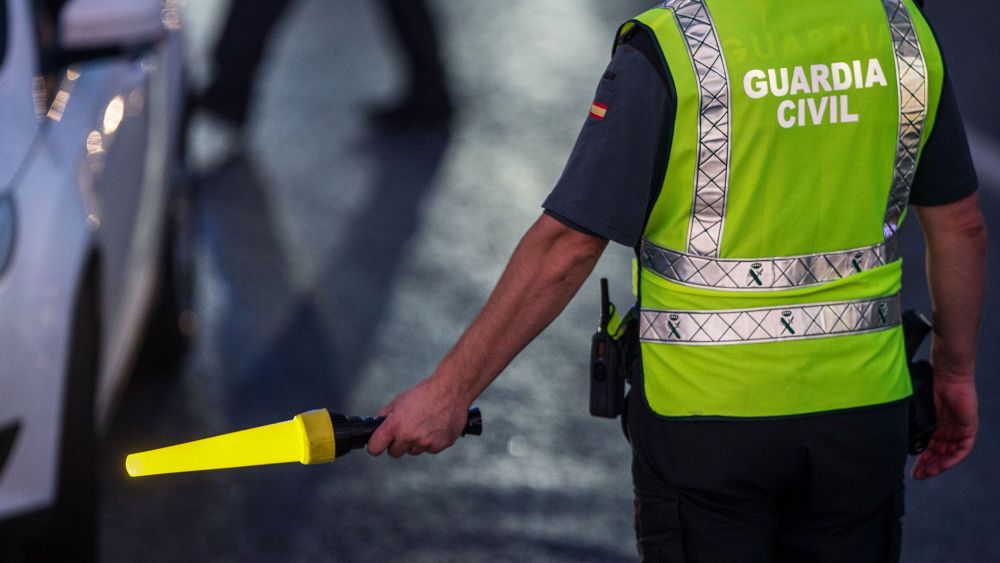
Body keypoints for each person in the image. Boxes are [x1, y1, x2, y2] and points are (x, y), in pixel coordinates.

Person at [367, 0, 986, 560]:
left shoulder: (674, 47)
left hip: (705, 418)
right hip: (864, 410)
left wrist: (449, 391)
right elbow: (960, 228)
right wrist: (954, 374)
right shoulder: (901, 32)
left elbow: (568, 246)